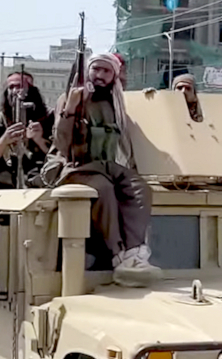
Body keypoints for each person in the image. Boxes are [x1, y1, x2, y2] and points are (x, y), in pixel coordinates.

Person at [43, 53, 161, 287]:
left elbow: (124, 142)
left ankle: (134, 252)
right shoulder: (70, 98)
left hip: (106, 166)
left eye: (106, 71)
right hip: (73, 167)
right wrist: (71, 108)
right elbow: (62, 143)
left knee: (140, 188)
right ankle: (117, 254)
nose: (99, 75)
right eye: (96, 69)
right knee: (102, 191)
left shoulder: (116, 102)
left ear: (113, 76)